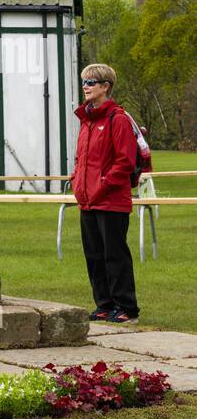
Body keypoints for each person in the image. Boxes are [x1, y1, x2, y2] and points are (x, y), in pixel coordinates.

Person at [70, 63, 141, 323]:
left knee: (115, 255)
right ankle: (104, 304)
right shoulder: (86, 121)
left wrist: (102, 183)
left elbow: (125, 162)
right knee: (94, 255)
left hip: (111, 201)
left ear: (105, 86)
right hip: (87, 201)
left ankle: (126, 307)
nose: (85, 86)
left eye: (91, 81)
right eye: (84, 81)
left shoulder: (118, 119)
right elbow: (81, 159)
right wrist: (78, 181)